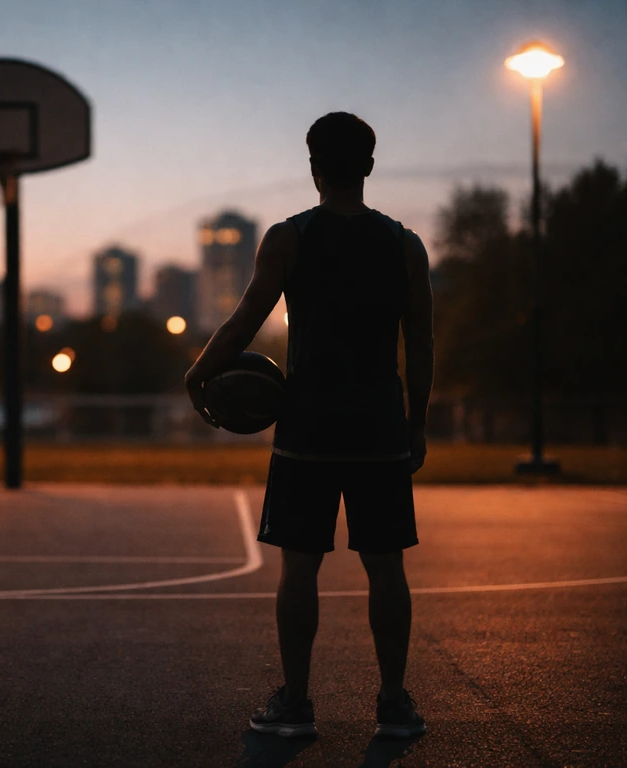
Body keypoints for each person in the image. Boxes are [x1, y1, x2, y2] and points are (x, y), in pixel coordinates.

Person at [184, 112, 433, 740]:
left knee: (300, 569)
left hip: (309, 429)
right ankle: (394, 702)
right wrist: (417, 425)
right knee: (386, 568)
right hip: (378, 426)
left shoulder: (288, 239)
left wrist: (198, 374)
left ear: (314, 167)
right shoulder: (406, 246)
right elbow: (421, 346)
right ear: (370, 166)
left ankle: (296, 703)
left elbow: (244, 322)